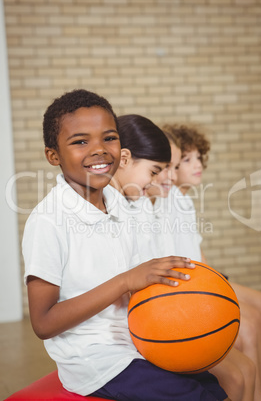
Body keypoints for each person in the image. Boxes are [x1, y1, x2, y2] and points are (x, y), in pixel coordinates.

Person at [22, 90, 229, 401]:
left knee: (215, 386)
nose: (100, 151)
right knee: (193, 396)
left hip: (139, 340)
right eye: (80, 141)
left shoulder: (120, 205)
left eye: (109, 138)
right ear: (53, 156)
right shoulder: (48, 221)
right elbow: (43, 322)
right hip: (97, 359)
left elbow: (140, 281)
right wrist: (126, 281)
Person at [114, 114, 256, 400]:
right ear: (126, 160)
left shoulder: (148, 202)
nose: (171, 176)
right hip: (151, 317)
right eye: (162, 168)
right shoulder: (131, 206)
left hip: (170, 301)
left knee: (245, 368)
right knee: (234, 372)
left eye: (172, 167)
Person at [160, 122, 261, 401]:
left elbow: (198, 254)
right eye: (186, 160)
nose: (197, 165)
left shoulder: (183, 200)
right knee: (251, 320)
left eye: (198, 158)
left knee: (260, 301)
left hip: (201, 275)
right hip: (189, 284)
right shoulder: (166, 199)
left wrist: (219, 282)